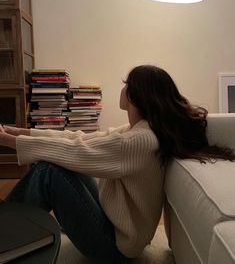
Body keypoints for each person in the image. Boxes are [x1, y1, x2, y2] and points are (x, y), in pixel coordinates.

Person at [0, 65, 234, 263]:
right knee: (63, 162)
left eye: (126, 84)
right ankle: (10, 228)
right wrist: (21, 133)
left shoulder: (138, 140)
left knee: (49, 171)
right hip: (113, 224)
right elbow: (80, 139)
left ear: (135, 95)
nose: (122, 88)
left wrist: (10, 141)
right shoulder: (140, 130)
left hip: (113, 247)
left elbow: (77, 150)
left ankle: (7, 235)